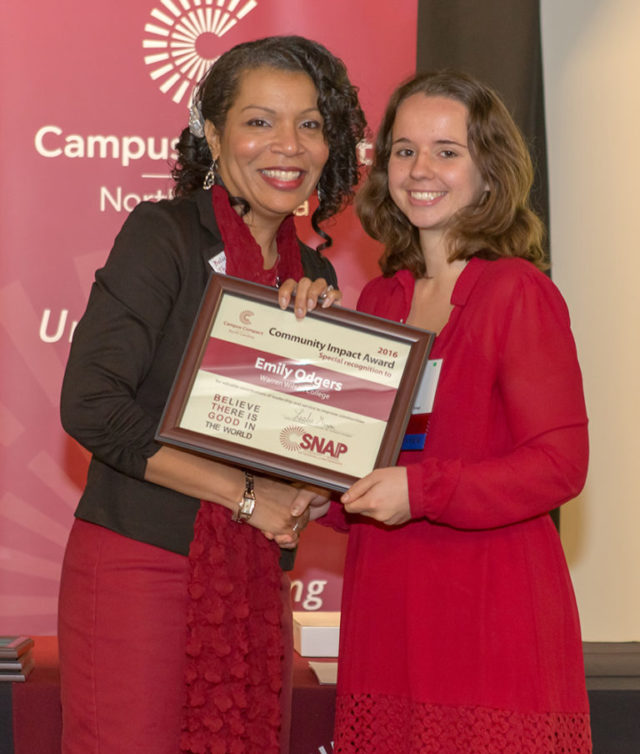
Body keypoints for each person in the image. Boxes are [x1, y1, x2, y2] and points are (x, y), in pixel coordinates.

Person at [58, 35, 365, 754]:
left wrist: (310, 479)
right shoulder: (163, 235)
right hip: (142, 569)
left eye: (311, 123)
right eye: (260, 121)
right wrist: (248, 498)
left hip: (251, 582)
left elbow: (298, 452)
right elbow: (92, 406)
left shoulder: (312, 274)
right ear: (214, 135)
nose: (286, 145)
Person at [323, 71, 591, 752]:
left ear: (490, 172)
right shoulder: (380, 300)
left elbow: (560, 466)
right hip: (386, 611)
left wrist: (421, 489)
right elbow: (358, 472)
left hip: (488, 615)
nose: (421, 170)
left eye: (447, 151)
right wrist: (299, 469)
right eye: (404, 150)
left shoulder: (518, 293)